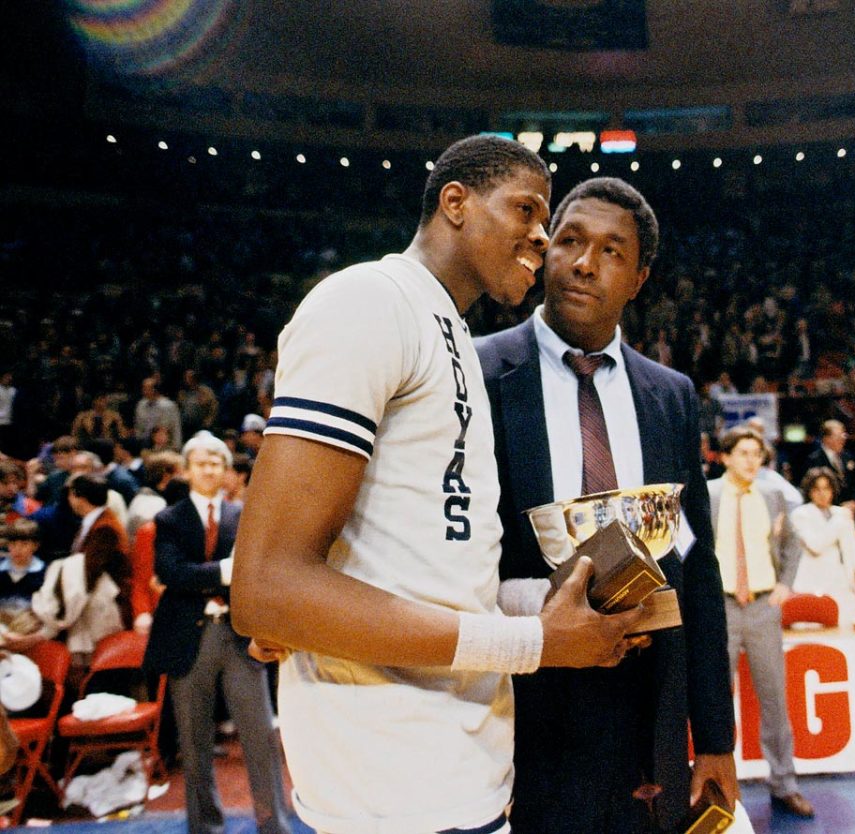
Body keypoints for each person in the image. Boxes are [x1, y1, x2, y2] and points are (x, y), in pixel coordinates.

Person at [230, 135, 642, 834]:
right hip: (388, 785)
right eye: (527, 209)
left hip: (460, 772)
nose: (541, 237)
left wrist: (555, 596)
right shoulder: (368, 301)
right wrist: (538, 644)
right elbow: (267, 591)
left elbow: (438, 571)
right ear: (455, 202)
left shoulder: (450, 336)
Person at [475, 177, 736, 832]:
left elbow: (696, 571)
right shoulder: (477, 374)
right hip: (522, 712)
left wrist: (716, 738)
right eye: (570, 241)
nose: (585, 263)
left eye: (612, 251)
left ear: (639, 277)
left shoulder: (671, 396)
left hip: (650, 722)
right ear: (544, 252)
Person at [143, 433, 291, 834]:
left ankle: (274, 825)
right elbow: (170, 573)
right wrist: (225, 572)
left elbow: (257, 572)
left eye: (215, 462)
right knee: (193, 743)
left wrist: (206, 578)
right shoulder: (168, 519)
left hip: (239, 636)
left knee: (260, 738)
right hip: (189, 639)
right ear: (187, 469)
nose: (208, 469)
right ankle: (204, 827)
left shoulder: (244, 516)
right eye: (201, 462)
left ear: (226, 472)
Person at [707, 427, 813, 818]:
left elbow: (792, 545)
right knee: (716, 701)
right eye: (744, 453)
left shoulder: (773, 495)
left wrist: (785, 584)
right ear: (726, 456)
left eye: (758, 454)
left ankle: (785, 784)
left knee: (774, 700)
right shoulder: (708, 494)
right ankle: (717, 788)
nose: (753, 461)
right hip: (721, 607)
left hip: (763, 606)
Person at [13, 474, 131, 670]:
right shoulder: (93, 522)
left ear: (78, 497)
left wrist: (54, 614)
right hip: (88, 606)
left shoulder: (105, 528)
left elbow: (88, 574)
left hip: (103, 610)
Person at [791, 467, 855, 626]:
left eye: (826, 488)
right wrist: (839, 520)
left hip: (843, 584)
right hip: (813, 584)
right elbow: (816, 545)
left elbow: (854, 548)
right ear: (810, 491)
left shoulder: (841, 514)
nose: (822, 494)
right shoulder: (801, 515)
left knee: (848, 630)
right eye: (817, 489)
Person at [805, 419, 855, 511]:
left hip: (850, 512)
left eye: (843, 436)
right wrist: (838, 508)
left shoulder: (848, 457)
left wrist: (854, 502)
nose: (843, 439)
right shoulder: (814, 459)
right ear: (826, 438)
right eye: (838, 436)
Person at [0, 519, 46, 604]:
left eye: (24, 544)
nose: (17, 549)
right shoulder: (1, 569)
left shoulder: (44, 573)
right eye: (13, 544)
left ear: (35, 546)